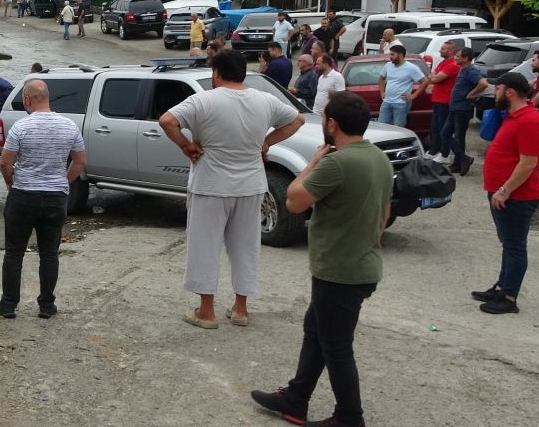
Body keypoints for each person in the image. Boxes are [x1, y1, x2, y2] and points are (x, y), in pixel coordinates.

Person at [251, 91, 392, 427]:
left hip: (340, 271)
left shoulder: (336, 162)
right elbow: (384, 215)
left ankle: (349, 417)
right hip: (359, 265)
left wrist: (313, 161)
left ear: (332, 123)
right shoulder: (378, 158)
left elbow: (294, 202)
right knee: (316, 331)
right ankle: (296, 398)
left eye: (325, 118)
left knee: (337, 347)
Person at [159, 50, 304, 329]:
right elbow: (296, 120)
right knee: (246, 247)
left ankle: (207, 312)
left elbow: (167, 121)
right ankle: (240, 309)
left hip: (210, 185)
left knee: (205, 246)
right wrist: (266, 143)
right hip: (250, 185)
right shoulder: (264, 100)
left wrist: (186, 146)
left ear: (216, 73)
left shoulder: (203, 100)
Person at [0, 79, 86, 319]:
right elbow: (79, 161)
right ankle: (46, 305)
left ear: (27, 99)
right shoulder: (70, 126)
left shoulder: (20, 127)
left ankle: (8, 305)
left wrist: (10, 182)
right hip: (55, 198)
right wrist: (63, 182)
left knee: (14, 252)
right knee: (49, 253)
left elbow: (6, 162)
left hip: (23, 196)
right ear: (47, 97)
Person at [474, 71, 539, 315]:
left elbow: (528, 163)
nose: (494, 94)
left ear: (510, 92)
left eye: (498, 90)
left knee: (515, 246)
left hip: (517, 196)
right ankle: (501, 286)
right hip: (503, 194)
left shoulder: (529, 120)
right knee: (508, 243)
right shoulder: (514, 116)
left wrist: (504, 190)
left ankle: (509, 296)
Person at [440, 48, 489, 175]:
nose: (455, 58)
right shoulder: (463, 69)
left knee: (458, 136)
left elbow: (483, 83)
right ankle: (461, 159)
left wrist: (470, 94)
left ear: (465, 58)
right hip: (455, 107)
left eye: (457, 56)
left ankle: (461, 161)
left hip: (463, 109)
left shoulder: (471, 71)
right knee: (445, 134)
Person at [425, 41, 461, 160]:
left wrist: (433, 78)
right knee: (434, 127)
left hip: (445, 102)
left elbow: (434, 79)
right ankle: (434, 149)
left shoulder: (453, 65)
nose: (440, 50)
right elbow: (431, 75)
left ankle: (444, 153)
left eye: (443, 49)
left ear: (450, 51)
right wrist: (433, 77)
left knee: (442, 128)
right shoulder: (443, 62)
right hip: (436, 99)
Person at [376, 45, 427, 127]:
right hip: (386, 102)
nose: (390, 57)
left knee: (398, 128)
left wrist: (413, 95)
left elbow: (424, 81)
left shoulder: (411, 68)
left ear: (400, 55)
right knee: (382, 126)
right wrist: (382, 92)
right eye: (390, 54)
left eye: (392, 55)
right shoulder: (388, 65)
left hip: (401, 103)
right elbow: (381, 78)